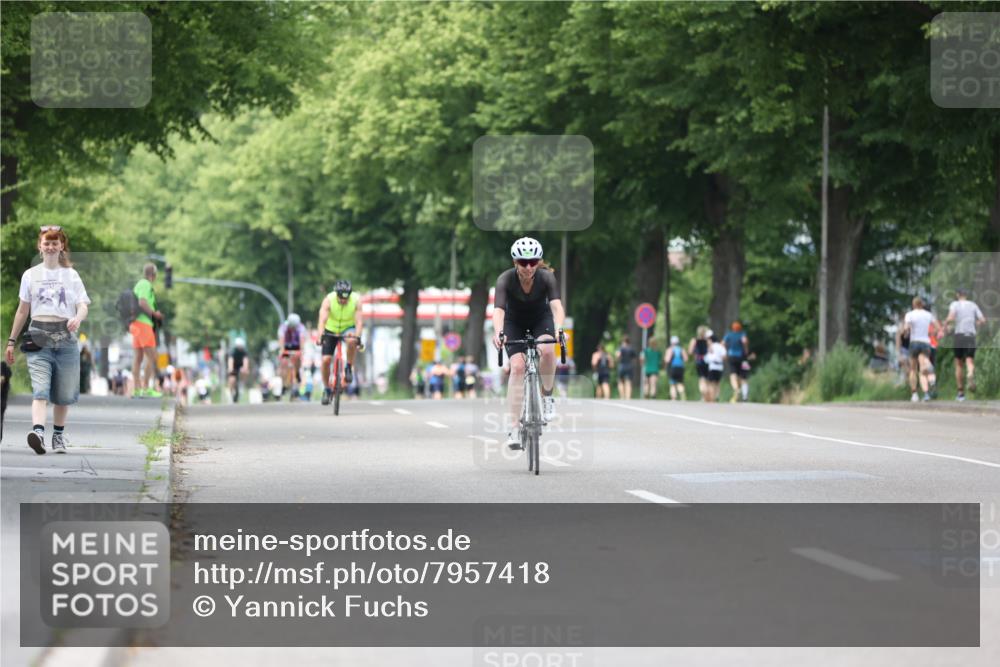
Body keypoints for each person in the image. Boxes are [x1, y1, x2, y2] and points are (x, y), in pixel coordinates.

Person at [5, 225, 90, 454]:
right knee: (40, 389)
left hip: (65, 337)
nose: (51, 247)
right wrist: (11, 341)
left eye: (55, 243)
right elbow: (22, 311)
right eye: (47, 243)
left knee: (63, 394)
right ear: (40, 247)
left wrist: (77, 318)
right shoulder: (30, 275)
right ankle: (38, 433)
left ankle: (58, 436)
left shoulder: (71, 275)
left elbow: (83, 305)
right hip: (38, 335)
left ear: (61, 246)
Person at [491, 237, 565, 450]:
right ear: (516, 262)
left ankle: (547, 396)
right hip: (513, 322)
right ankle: (514, 428)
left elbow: (557, 307)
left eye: (533, 262)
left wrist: (559, 329)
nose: (529, 267)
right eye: (524, 262)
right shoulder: (505, 279)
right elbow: (499, 311)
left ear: (539, 261)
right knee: (517, 367)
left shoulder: (546, 277)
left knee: (548, 350)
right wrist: (499, 333)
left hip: (541, 320)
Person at [318, 279, 363, 406]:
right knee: (326, 360)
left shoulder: (356, 300)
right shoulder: (328, 300)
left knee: (351, 340)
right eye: (341, 298)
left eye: (346, 298)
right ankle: (327, 389)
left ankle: (348, 367)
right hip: (330, 329)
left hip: (348, 328)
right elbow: (322, 320)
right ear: (336, 294)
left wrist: (357, 336)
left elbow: (359, 322)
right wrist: (320, 336)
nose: (344, 300)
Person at [945, 287, 987, 401]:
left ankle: (960, 393)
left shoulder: (955, 304)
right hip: (970, 335)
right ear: (966, 295)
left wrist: (946, 323)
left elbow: (951, 317)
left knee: (958, 364)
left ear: (958, 295)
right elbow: (983, 320)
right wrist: (976, 323)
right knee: (970, 360)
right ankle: (970, 373)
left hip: (959, 335)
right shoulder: (973, 305)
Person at [130, 263, 164, 398]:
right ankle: (146, 388)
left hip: (135, 324)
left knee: (138, 357)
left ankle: (137, 389)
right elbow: (142, 302)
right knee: (152, 356)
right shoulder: (145, 284)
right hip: (144, 324)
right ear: (153, 275)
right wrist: (155, 314)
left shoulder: (138, 284)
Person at [902, 296, 942, 402]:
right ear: (922, 304)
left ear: (913, 304)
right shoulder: (928, 315)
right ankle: (930, 379)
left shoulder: (910, 314)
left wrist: (905, 333)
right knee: (923, 367)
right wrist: (932, 334)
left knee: (913, 369)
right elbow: (938, 328)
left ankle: (914, 394)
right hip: (925, 342)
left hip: (914, 342)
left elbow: (906, 328)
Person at [277, 312, 307, 401]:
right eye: (292, 327)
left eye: (295, 328)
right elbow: (281, 340)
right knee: (284, 363)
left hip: (296, 346)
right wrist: (282, 350)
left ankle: (297, 373)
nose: (293, 329)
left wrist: (302, 350)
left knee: (298, 359)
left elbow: (302, 340)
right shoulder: (283, 327)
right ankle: (284, 383)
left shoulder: (301, 328)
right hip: (286, 346)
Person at [723, 321, 749, 403]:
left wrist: (725, 351)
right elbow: (745, 341)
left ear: (732, 328)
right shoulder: (742, 334)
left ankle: (736, 389)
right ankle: (745, 396)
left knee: (733, 374)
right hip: (742, 358)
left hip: (732, 356)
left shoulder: (729, 335)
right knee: (743, 376)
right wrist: (746, 350)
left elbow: (722, 343)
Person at [688, 325, 710, 400]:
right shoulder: (708, 340)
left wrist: (695, 352)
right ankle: (707, 395)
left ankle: (703, 395)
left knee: (701, 379)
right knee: (706, 378)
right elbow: (711, 351)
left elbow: (690, 351)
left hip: (699, 360)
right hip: (707, 361)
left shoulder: (694, 340)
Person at [704, 333, 727, 402]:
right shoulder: (720, 346)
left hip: (712, 366)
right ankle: (717, 396)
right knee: (717, 383)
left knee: (711, 383)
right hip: (719, 366)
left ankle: (712, 397)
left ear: (711, 340)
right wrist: (719, 358)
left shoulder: (711, 347)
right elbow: (724, 356)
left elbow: (706, 358)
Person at [665, 335, 688, 401]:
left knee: (672, 384)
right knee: (680, 383)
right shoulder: (681, 349)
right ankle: (682, 396)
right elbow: (686, 359)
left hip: (673, 368)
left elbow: (667, 360)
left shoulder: (670, 349)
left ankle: (673, 398)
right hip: (680, 368)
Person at [227, 338, 249, 403]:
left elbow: (246, 361)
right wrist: (230, 369)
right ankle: (231, 393)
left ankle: (242, 385)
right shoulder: (233, 352)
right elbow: (230, 360)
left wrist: (245, 368)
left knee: (244, 372)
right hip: (234, 366)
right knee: (232, 380)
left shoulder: (244, 352)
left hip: (240, 366)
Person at [616, 335, 636, 400]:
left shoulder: (621, 348)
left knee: (620, 381)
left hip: (622, 366)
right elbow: (634, 358)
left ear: (623, 341)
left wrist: (618, 360)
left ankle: (622, 396)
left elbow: (618, 355)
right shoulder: (631, 348)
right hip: (629, 366)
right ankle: (628, 397)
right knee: (628, 382)